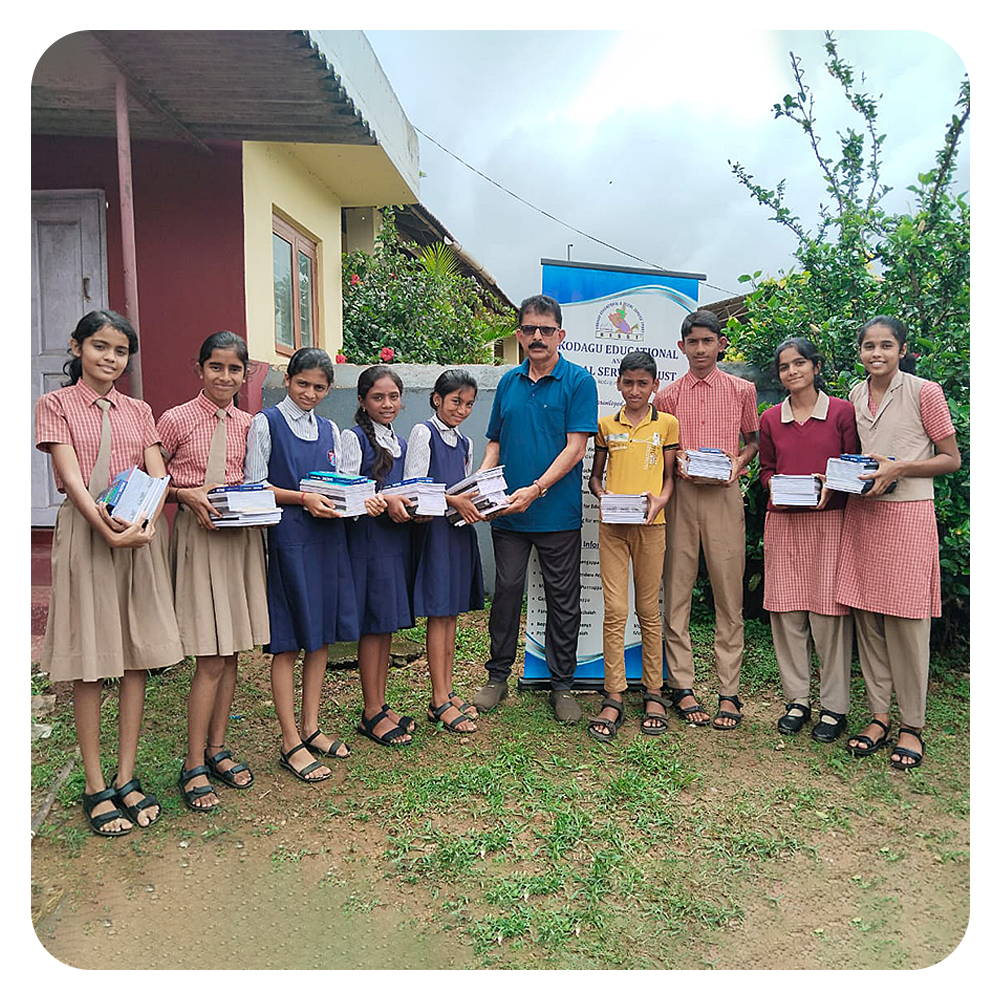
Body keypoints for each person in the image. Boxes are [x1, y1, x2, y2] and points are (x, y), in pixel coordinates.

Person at [35, 310, 183, 836]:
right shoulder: (54, 404)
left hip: (138, 534)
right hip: (87, 535)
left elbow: (158, 473)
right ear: (77, 347)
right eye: (100, 347)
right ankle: (95, 785)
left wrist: (141, 521)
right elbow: (71, 476)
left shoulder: (140, 410)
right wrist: (105, 525)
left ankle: (125, 775)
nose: (110, 359)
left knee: (136, 653)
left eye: (120, 352)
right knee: (92, 661)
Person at [837, 317, 960, 769]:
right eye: (869, 346)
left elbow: (951, 459)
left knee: (907, 622)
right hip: (864, 514)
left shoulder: (924, 391)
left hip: (908, 515)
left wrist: (898, 468)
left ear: (902, 349)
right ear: (860, 352)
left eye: (886, 345)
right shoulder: (854, 392)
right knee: (867, 615)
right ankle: (879, 715)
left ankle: (912, 725)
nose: (877, 354)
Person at [473, 293, 598, 722]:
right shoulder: (508, 382)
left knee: (564, 599)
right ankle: (497, 677)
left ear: (560, 334)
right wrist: (481, 482)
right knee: (506, 592)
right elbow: (494, 441)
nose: (538, 337)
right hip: (507, 513)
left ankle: (562, 685)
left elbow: (576, 447)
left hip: (556, 513)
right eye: (530, 329)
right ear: (519, 334)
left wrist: (536, 489)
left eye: (547, 330)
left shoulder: (579, 381)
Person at [157, 331, 269, 811]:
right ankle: (192, 761)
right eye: (216, 367)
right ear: (198, 368)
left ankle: (218, 746)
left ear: (245, 373)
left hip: (239, 540)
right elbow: (152, 482)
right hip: (199, 539)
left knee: (233, 651)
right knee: (208, 654)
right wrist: (184, 494)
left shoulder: (250, 424)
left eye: (234, 369)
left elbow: (260, 478)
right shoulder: (176, 420)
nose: (225, 376)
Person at [244, 347, 358, 783]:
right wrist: (303, 498)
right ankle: (289, 739)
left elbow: (342, 485)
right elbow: (256, 486)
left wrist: (350, 498)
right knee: (290, 640)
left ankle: (311, 726)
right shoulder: (266, 423)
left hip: (327, 539)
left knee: (321, 635)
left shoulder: (330, 430)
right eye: (302, 384)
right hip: (290, 539)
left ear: (329, 390)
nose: (309, 393)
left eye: (319, 387)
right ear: (288, 380)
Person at [653, 309, 759, 731]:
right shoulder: (667, 396)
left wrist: (738, 463)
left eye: (707, 341)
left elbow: (752, 442)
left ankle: (729, 691)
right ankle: (682, 685)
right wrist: (674, 464)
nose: (700, 349)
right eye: (692, 342)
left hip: (723, 497)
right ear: (681, 346)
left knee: (728, 594)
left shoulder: (742, 390)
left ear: (721, 344)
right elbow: (661, 451)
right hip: (680, 498)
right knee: (676, 591)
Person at [758, 337, 859, 742]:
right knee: (785, 614)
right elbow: (765, 469)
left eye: (800, 363)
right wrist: (776, 484)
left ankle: (834, 708)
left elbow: (854, 468)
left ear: (816, 367)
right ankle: (797, 700)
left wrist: (830, 485)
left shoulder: (841, 413)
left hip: (828, 522)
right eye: (784, 367)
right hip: (783, 523)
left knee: (828, 616)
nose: (792, 372)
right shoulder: (769, 419)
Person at [587, 350, 678, 740]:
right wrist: (602, 495)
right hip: (612, 527)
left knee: (647, 609)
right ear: (618, 384)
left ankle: (654, 691)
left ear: (655, 384)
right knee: (615, 610)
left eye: (643, 383)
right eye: (628, 383)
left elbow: (671, 478)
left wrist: (659, 500)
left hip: (651, 525)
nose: (635, 390)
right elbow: (595, 477)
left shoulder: (668, 425)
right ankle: (614, 693)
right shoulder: (606, 424)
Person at [404, 369, 485, 734]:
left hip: (457, 531)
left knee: (451, 615)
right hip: (435, 532)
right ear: (437, 398)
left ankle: (448, 690)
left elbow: (463, 485)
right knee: (439, 615)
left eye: (468, 404)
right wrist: (453, 499)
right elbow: (415, 490)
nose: (462, 410)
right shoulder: (425, 433)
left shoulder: (464, 442)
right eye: (455, 402)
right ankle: (438, 699)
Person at [341, 365, 417, 747]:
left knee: (385, 624)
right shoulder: (353, 439)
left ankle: (381, 703)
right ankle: (370, 712)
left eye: (393, 397)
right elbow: (346, 493)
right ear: (361, 401)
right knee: (373, 624)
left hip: (395, 540)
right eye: (378, 397)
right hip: (369, 542)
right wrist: (384, 499)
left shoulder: (399, 440)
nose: (387, 404)